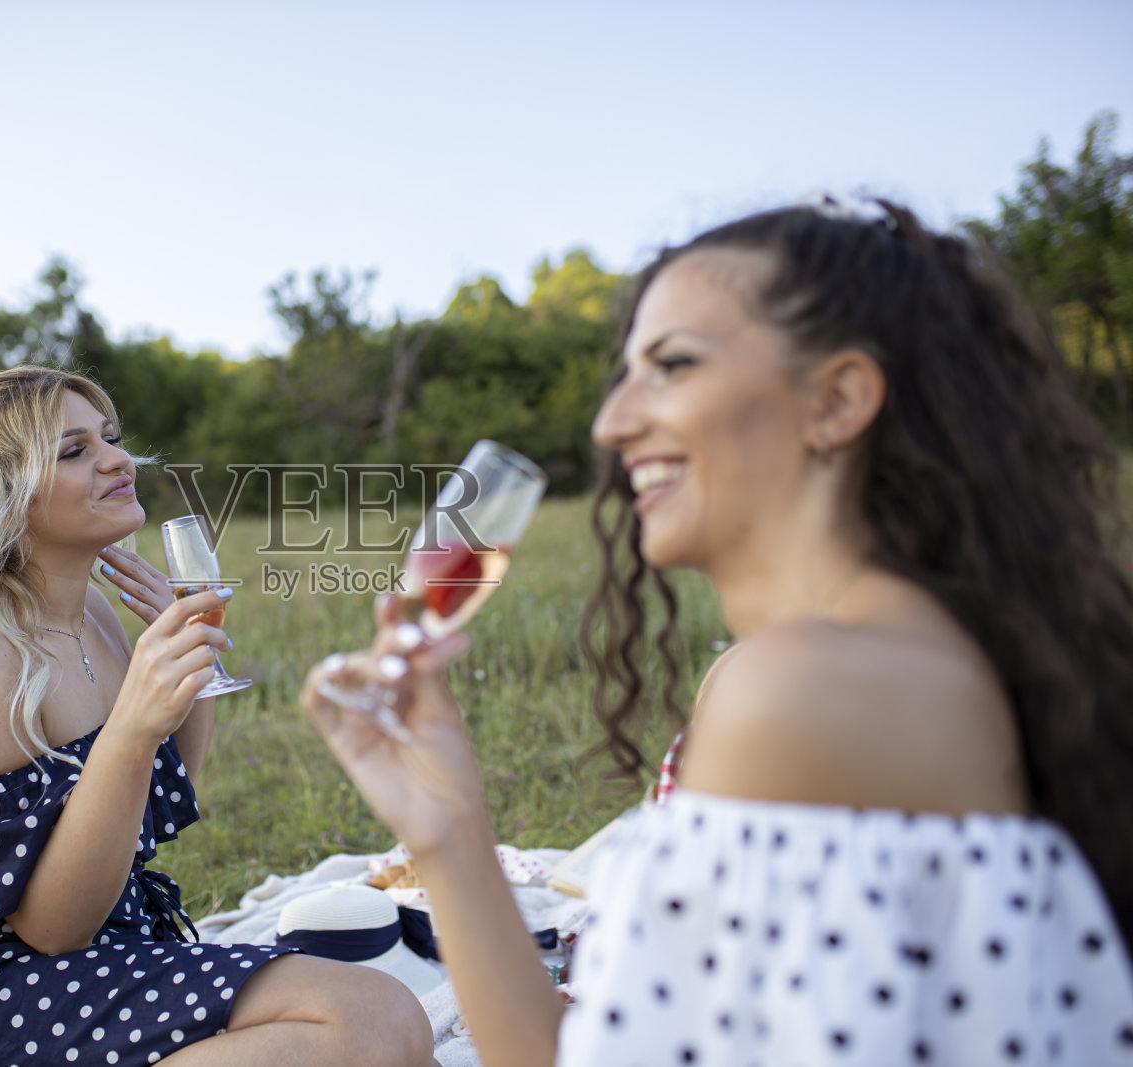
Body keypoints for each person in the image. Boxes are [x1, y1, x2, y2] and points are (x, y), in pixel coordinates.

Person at [303, 196, 1133, 1065]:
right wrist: (446, 830)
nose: (611, 422)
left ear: (839, 398)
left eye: (672, 363)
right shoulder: (918, 648)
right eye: (626, 372)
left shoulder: (798, 690)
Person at [0, 366, 433, 1067]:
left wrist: (191, 664)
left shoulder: (90, 610)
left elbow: (155, 798)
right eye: (74, 451)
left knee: (384, 1022)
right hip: (4, 999)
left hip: (113, 945)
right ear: (1, 497)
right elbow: (52, 928)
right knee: (372, 1021)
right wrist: (132, 723)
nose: (119, 459)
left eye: (110, 438)